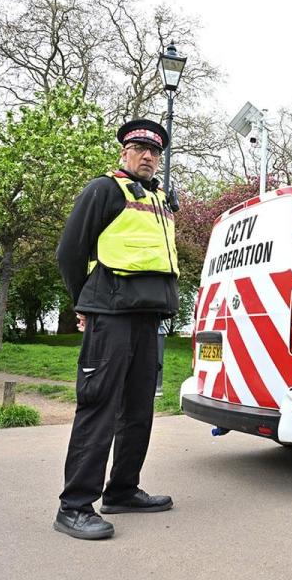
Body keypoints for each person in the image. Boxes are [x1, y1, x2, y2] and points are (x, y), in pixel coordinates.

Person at [54, 119, 180, 540]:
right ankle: (73, 507)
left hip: (148, 319)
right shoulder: (103, 189)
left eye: (155, 151)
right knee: (99, 407)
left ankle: (122, 490)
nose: (148, 156)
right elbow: (70, 252)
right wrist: (84, 302)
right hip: (109, 316)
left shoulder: (160, 199)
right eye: (140, 147)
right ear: (124, 152)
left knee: (139, 410)